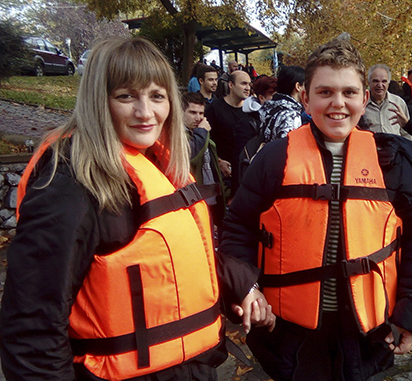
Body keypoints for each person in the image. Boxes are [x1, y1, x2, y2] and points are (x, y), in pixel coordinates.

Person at [0, 37, 274, 381]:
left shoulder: (158, 163)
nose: (146, 113)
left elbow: (184, 256)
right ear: (99, 100)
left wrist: (244, 286)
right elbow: (32, 326)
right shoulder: (71, 183)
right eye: (126, 96)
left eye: (157, 96)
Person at [219, 38, 412, 381]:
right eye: (325, 92)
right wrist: (247, 288)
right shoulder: (273, 159)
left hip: (367, 331)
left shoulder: (396, 162)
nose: (338, 103)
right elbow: (238, 230)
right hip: (291, 332)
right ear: (306, 99)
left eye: (348, 92)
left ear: (364, 99)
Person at [182, 92, 230, 240]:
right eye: (192, 112)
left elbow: (205, 154)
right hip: (192, 198)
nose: (198, 117)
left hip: (209, 195)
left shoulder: (199, 131)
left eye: (201, 113)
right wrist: (202, 131)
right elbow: (191, 155)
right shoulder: (179, 134)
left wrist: (219, 161)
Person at [206, 70, 256, 193]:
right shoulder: (214, 109)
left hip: (247, 174)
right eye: (243, 83)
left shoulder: (253, 111)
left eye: (249, 84)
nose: (247, 88)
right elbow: (206, 141)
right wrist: (218, 161)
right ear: (231, 85)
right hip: (223, 176)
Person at [360, 63, 412, 141]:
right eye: (375, 81)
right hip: (369, 147)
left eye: (384, 81)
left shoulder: (398, 103)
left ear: (388, 83)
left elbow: (407, 133)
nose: (380, 85)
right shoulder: (361, 103)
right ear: (368, 82)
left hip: (395, 147)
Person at [258, 65, 305, 143]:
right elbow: (289, 147)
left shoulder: (269, 108)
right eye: (306, 85)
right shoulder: (291, 115)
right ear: (298, 87)